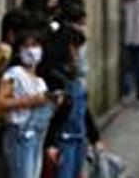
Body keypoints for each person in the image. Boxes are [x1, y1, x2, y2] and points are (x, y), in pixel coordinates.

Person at [0, 30, 60, 178]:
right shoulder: (14, 73)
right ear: (18, 51)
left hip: (37, 135)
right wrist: (31, 101)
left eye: (35, 45)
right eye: (27, 46)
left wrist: (53, 102)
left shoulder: (40, 82)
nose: (32, 50)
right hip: (19, 134)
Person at [42, 26, 94, 178]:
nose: (78, 54)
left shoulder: (74, 76)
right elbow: (50, 116)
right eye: (76, 49)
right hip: (63, 140)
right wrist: (50, 144)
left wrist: (94, 138)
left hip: (80, 138)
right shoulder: (54, 77)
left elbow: (84, 111)